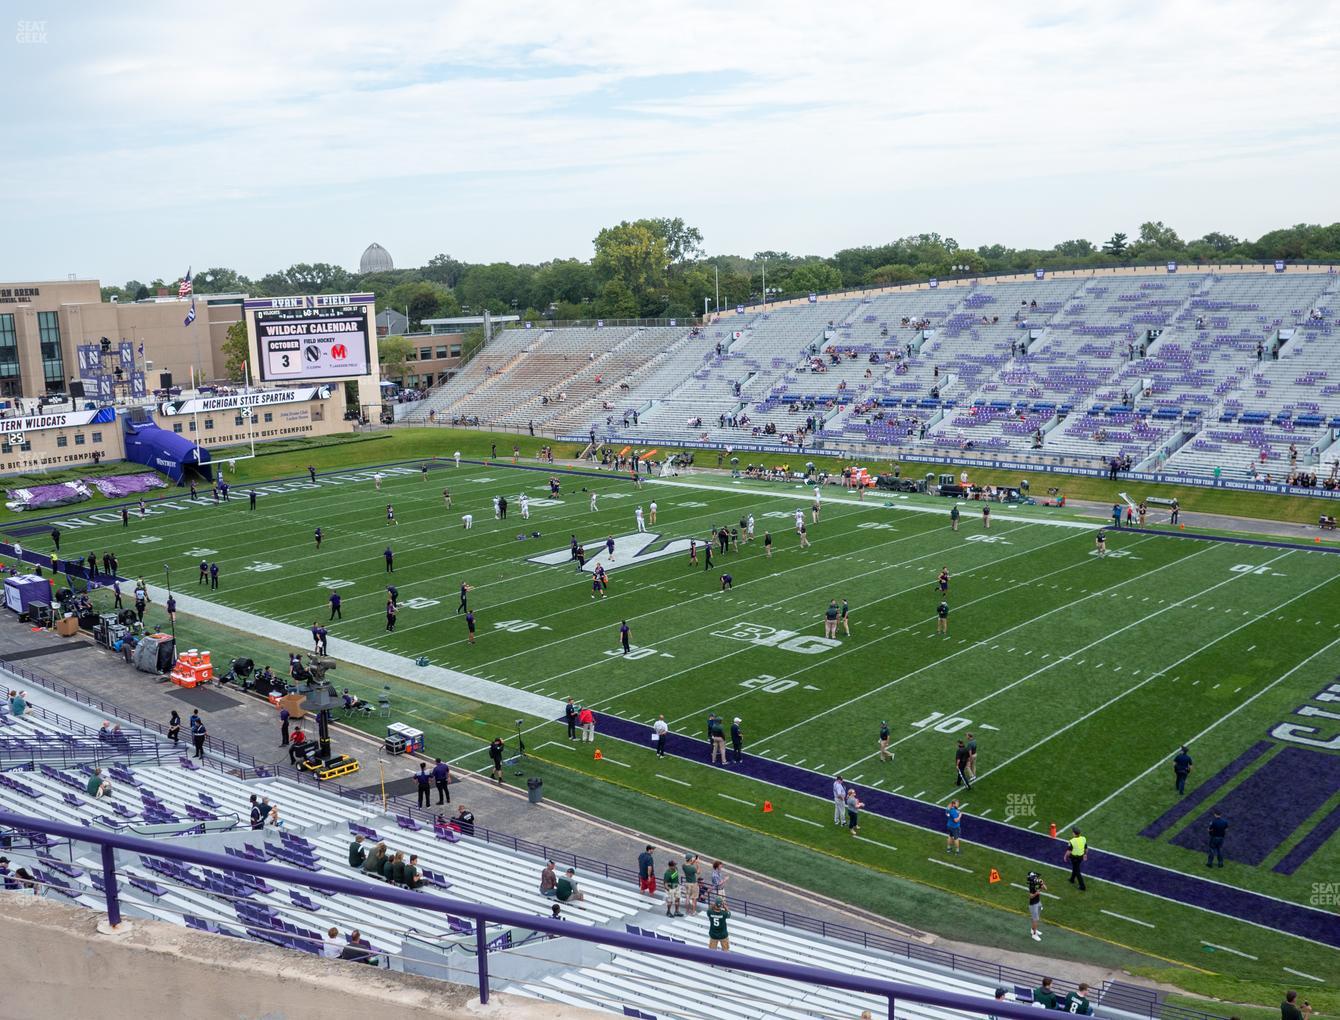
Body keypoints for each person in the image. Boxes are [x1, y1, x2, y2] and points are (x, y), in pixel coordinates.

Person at [1026, 870, 1047, 941]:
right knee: (1035, 919)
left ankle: (1033, 929)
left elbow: (1045, 888)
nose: (1036, 878)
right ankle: (1034, 935)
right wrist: (1036, 893)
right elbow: (1030, 896)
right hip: (1033, 904)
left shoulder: (1037, 882)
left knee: (1036, 917)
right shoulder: (1031, 885)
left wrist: (1042, 883)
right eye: (1035, 877)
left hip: (1038, 902)